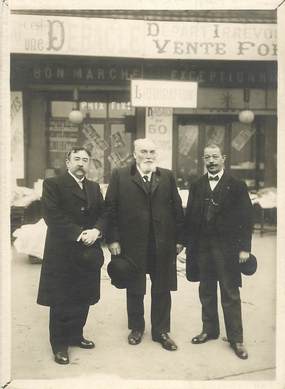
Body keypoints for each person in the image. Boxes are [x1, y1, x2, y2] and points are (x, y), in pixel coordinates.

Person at [105, 138, 184, 351]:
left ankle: (161, 331)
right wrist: (112, 239)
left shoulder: (166, 176)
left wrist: (179, 239)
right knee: (135, 286)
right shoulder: (120, 176)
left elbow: (177, 209)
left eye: (152, 151)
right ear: (135, 154)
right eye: (143, 152)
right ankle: (137, 328)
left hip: (162, 243)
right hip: (132, 244)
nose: (148, 156)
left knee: (162, 287)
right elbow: (110, 208)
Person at [37, 146, 106, 365]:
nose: (81, 163)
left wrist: (96, 230)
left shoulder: (94, 188)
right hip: (63, 252)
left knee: (83, 296)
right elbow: (52, 216)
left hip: (88, 251)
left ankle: (76, 335)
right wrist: (79, 234)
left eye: (85, 160)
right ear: (67, 162)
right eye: (76, 159)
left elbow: (104, 214)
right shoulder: (53, 185)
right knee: (61, 299)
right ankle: (59, 345)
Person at [184, 143, 253, 360]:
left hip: (228, 249)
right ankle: (210, 330)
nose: (211, 161)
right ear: (203, 160)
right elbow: (191, 218)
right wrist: (186, 244)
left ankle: (236, 338)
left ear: (223, 158)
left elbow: (246, 218)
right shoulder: (196, 185)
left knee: (230, 292)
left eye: (215, 157)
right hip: (202, 248)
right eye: (207, 158)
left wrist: (244, 248)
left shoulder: (237, 184)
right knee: (206, 290)